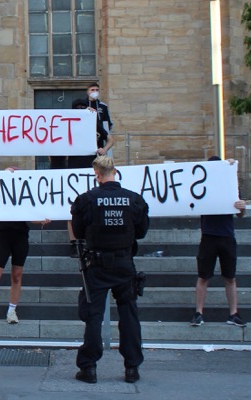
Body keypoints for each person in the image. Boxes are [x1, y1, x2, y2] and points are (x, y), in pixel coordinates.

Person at [70, 156, 149, 384]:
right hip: (124, 263)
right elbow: (142, 232)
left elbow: (78, 231)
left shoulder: (86, 200)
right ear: (115, 171)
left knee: (93, 316)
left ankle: (89, 367)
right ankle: (132, 368)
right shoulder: (134, 200)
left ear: (97, 174)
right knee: (129, 314)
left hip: (96, 265)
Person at [0, 169, 50, 328]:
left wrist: (42, 219)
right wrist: (2, 173)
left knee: (17, 274)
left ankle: (12, 310)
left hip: (20, 236)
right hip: (4, 236)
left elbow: (29, 215)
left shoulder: (24, 195)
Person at [191, 156, 246, 327]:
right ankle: (199, 312)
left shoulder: (230, 185)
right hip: (209, 235)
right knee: (203, 276)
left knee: (230, 277)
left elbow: (240, 213)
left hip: (226, 235)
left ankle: (233, 313)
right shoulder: (202, 187)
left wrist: (241, 207)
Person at [66, 97, 116, 256]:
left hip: (92, 167)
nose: (80, 110)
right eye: (77, 107)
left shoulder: (94, 123)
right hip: (73, 168)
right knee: (70, 206)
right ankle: (74, 242)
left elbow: (110, 139)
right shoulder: (67, 124)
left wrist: (104, 149)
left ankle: (91, 238)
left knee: (93, 204)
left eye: (82, 107)